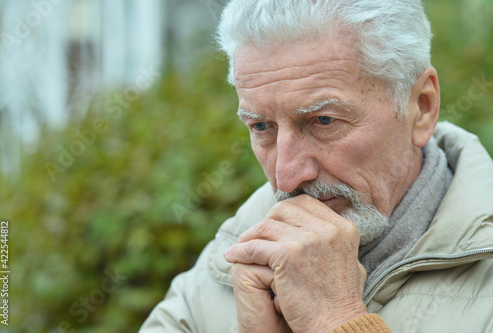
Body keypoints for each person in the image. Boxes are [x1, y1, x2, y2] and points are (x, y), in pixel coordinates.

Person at [140, 0, 493, 332]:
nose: (286, 176)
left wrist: (337, 320)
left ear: (422, 107)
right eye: (261, 126)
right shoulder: (227, 259)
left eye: (323, 121)